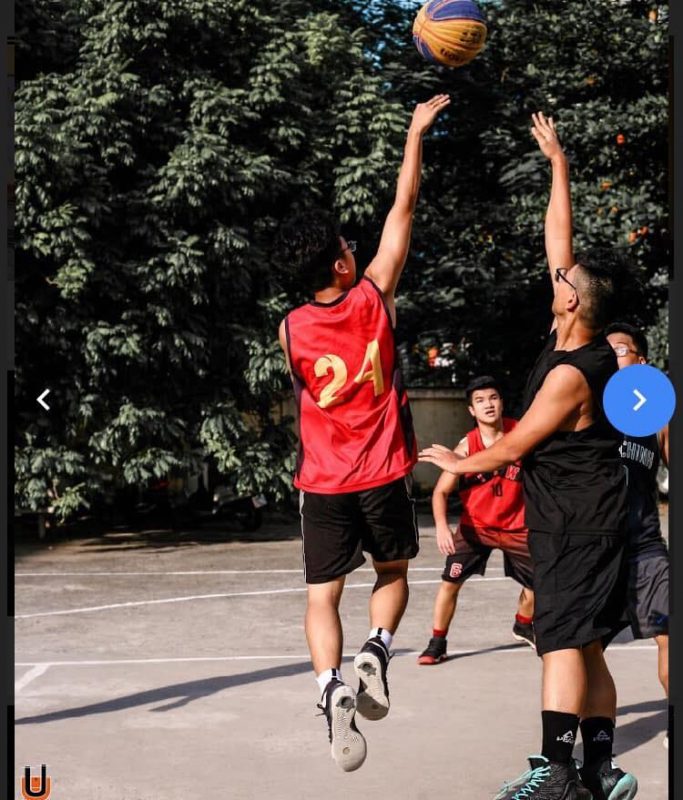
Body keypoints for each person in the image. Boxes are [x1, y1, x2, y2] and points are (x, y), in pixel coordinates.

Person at [419, 112, 637, 800]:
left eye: (563, 279)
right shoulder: (570, 333)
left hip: (577, 520)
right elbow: (557, 238)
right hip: (582, 514)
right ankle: (600, 770)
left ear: (571, 300)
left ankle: (556, 774)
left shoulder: (574, 370)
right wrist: (557, 164)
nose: (557, 276)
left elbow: (514, 444)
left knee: (560, 640)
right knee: (587, 642)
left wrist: (455, 465)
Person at [276, 94, 451, 772]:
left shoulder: (289, 329)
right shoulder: (374, 294)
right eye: (348, 246)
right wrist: (414, 134)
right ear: (342, 267)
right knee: (393, 572)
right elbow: (403, 208)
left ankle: (328, 688)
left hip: (322, 482)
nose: (355, 247)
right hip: (381, 474)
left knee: (321, 595)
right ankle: (376, 648)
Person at [418, 375, 535, 667]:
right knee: (450, 582)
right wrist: (442, 526)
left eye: (493, 398)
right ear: (472, 410)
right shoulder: (465, 448)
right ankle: (437, 642)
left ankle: (523, 624)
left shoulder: (522, 434)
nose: (488, 405)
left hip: (517, 527)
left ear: (502, 402)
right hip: (476, 528)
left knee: (539, 585)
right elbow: (440, 492)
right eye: (480, 401)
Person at [604, 321, 669, 745]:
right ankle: (595, 744)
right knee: (582, 651)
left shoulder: (655, 413)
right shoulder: (581, 404)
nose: (611, 356)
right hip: (595, 549)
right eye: (605, 350)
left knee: (671, 635)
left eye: (620, 350)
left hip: (645, 545)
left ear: (641, 362)